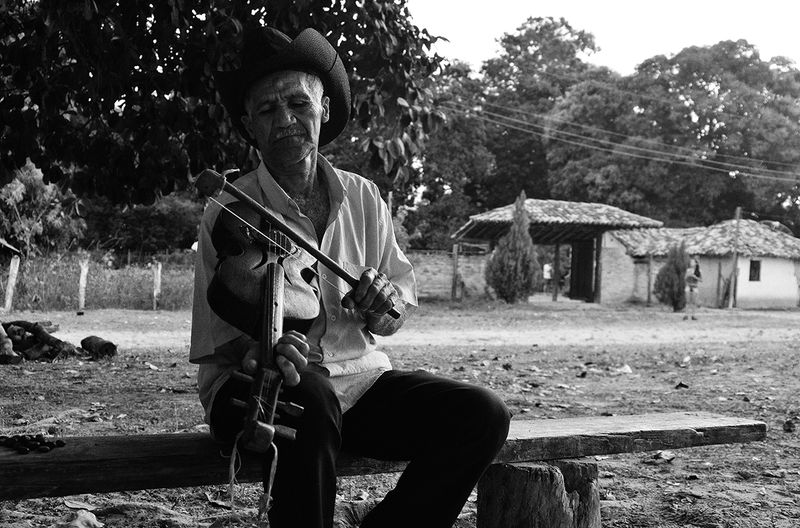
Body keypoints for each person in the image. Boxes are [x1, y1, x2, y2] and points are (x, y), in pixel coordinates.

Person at [189, 25, 510, 528]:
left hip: (359, 384)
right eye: (268, 110)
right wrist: (260, 351)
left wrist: (384, 302)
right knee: (308, 398)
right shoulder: (230, 212)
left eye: (299, 103)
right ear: (250, 125)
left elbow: (395, 310)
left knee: (482, 414)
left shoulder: (363, 197)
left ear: (326, 110)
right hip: (255, 391)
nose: (286, 120)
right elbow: (220, 344)